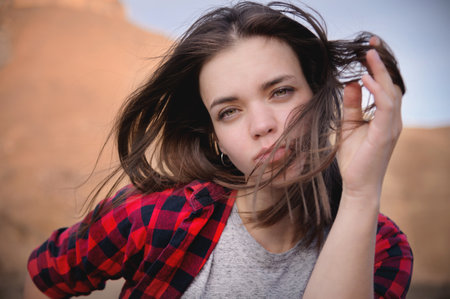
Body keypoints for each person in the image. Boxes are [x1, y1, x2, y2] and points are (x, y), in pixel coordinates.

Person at [24, 1, 413, 298]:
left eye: (281, 91)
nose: (262, 126)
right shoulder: (155, 215)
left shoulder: (381, 247)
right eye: (229, 111)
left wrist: (362, 195)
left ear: (317, 95)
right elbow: (43, 277)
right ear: (215, 136)